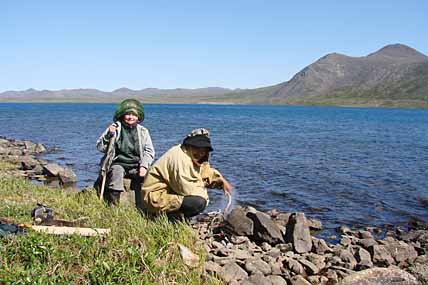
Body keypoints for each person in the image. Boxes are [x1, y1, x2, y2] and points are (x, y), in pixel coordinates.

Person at [141, 128, 232, 219]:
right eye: (197, 148)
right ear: (190, 145)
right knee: (198, 203)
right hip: (154, 197)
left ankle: (175, 217)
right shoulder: (179, 159)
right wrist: (205, 197)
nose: (201, 153)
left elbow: (204, 171)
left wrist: (221, 181)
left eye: (204, 150)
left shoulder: (191, 155)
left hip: (169, 190)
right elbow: (186, 189)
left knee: (198, 200)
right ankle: (166, 217)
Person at [96, 98, 155, 207]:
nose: (131, 117)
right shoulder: (115, 128)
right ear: (123, 115)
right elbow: (100, 147)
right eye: (128, 114)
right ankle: (114, 206)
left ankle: (149, 206)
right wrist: (108, 135)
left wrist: (144, 166)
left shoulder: (143, 131)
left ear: (138, 117)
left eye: (134, 115)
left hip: (136, 165)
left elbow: (149, 151)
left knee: (152, 175)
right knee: (116, 172)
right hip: (118, 163)